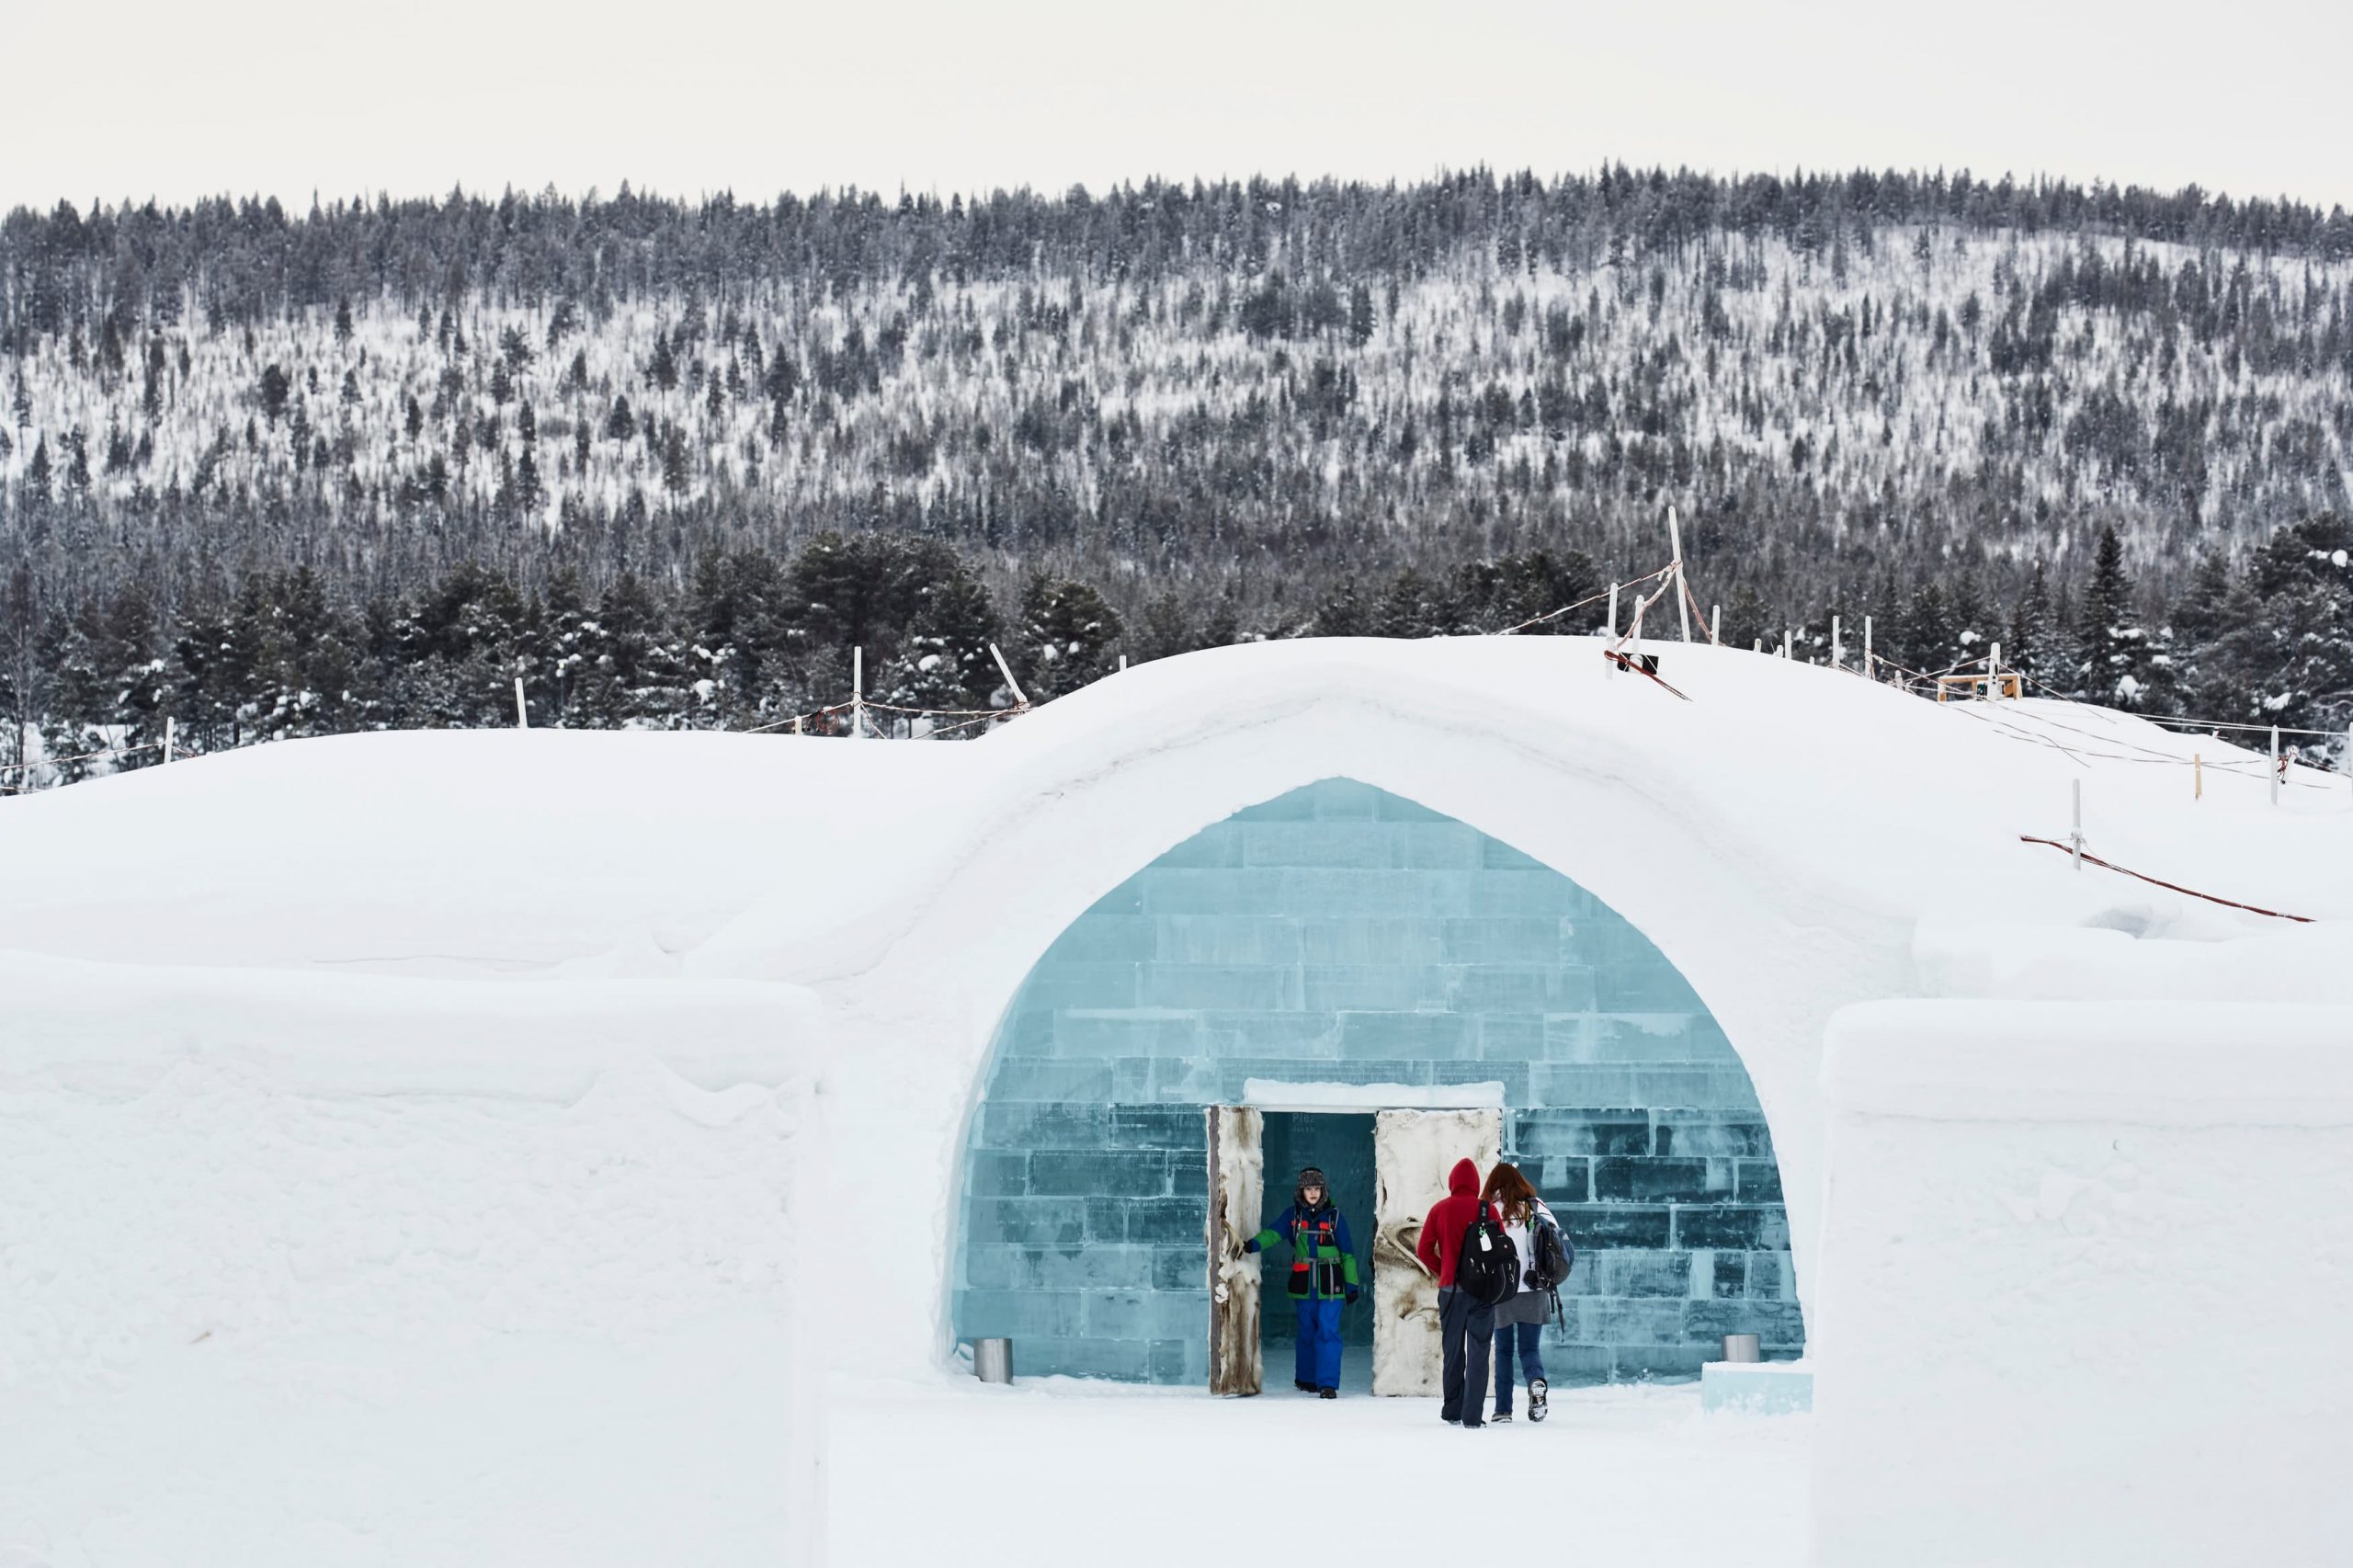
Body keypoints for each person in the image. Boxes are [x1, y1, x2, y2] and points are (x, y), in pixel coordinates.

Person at [1244, 1165, 1360, 1398]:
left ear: (1323, 1190)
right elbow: (1273, 1233)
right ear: (1301, 1191)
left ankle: (1327, 1384)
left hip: (1331, 1286)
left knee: (1328, 1331)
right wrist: (1253, 1245)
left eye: (1317, 1188)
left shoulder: (1335, 1217)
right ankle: (1307, 1379)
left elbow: (1347, 1253)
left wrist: (1352, 1285)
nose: (1314, 1193)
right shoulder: (1293, 1216)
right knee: (1307, 1331)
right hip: (1304, 1284)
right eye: (1309, 1189)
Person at [1415, 1156, 1504, 1428]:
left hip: (1451, 1290)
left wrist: (1443, 1269)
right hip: (1482, 1293)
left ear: (1452, 1182)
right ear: (1476, 1184)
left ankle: (1452, 1409)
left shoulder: (1439, 1210)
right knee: (1478, 1352)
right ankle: (1472, 1416)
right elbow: (1501, 1249)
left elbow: (1423, 1250)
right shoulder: (1488, 1211)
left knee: (1453, 1351)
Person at [1481, 1162, 1555, 1424]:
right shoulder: (1535, 1207)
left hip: (1502, 1290)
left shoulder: (1491, 1211)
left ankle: (1503, 1410)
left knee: (1503, 1351)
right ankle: (1536, 1381)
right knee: (1529, 1349)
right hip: (1534, 1288)